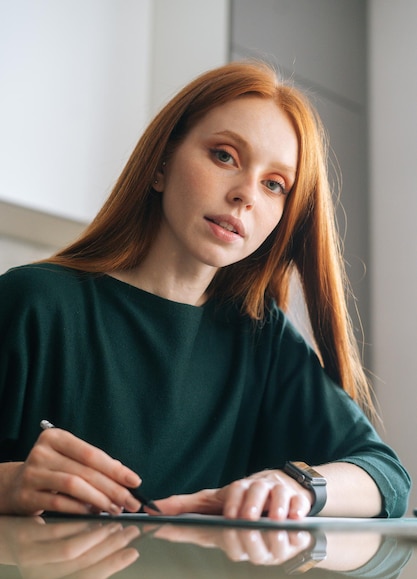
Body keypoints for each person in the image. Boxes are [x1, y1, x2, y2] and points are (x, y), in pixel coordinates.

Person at [0, 61, 410, 519]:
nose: (246, 194)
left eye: (275, 184)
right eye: (224, 155)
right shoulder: (31, 303)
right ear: (160, 165)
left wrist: (297, 486)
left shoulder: (260, 336)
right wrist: (8, 485)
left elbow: (387, 477)